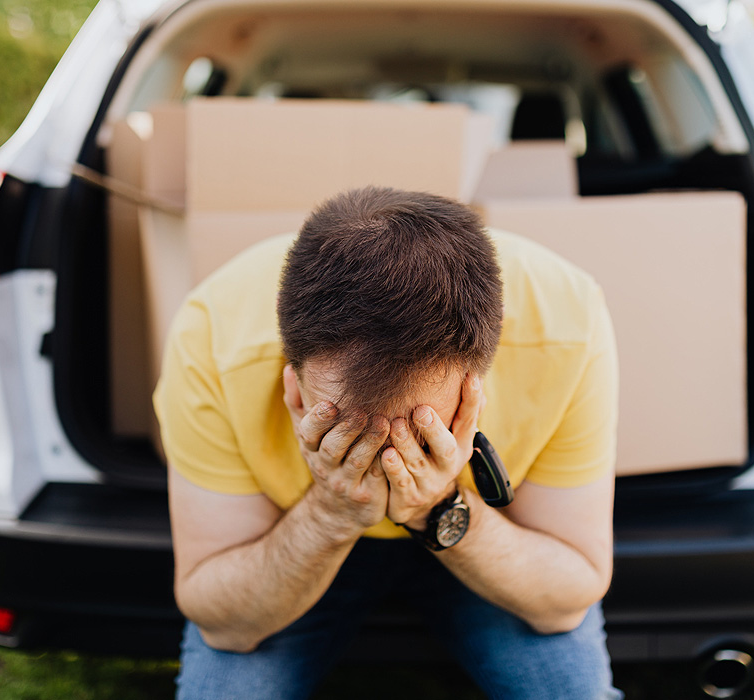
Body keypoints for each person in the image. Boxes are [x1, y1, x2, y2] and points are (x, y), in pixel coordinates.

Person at [154, 186, 622, 699]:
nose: (386, 461)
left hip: (486, 536)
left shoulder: (567, 321)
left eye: (420, 431)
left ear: (478, 383)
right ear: (293, 385)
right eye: (346, 430)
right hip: (289, 539)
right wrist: (332, 512)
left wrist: (435, 505)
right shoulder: (213, 335)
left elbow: (565, 600)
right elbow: (225, 624)